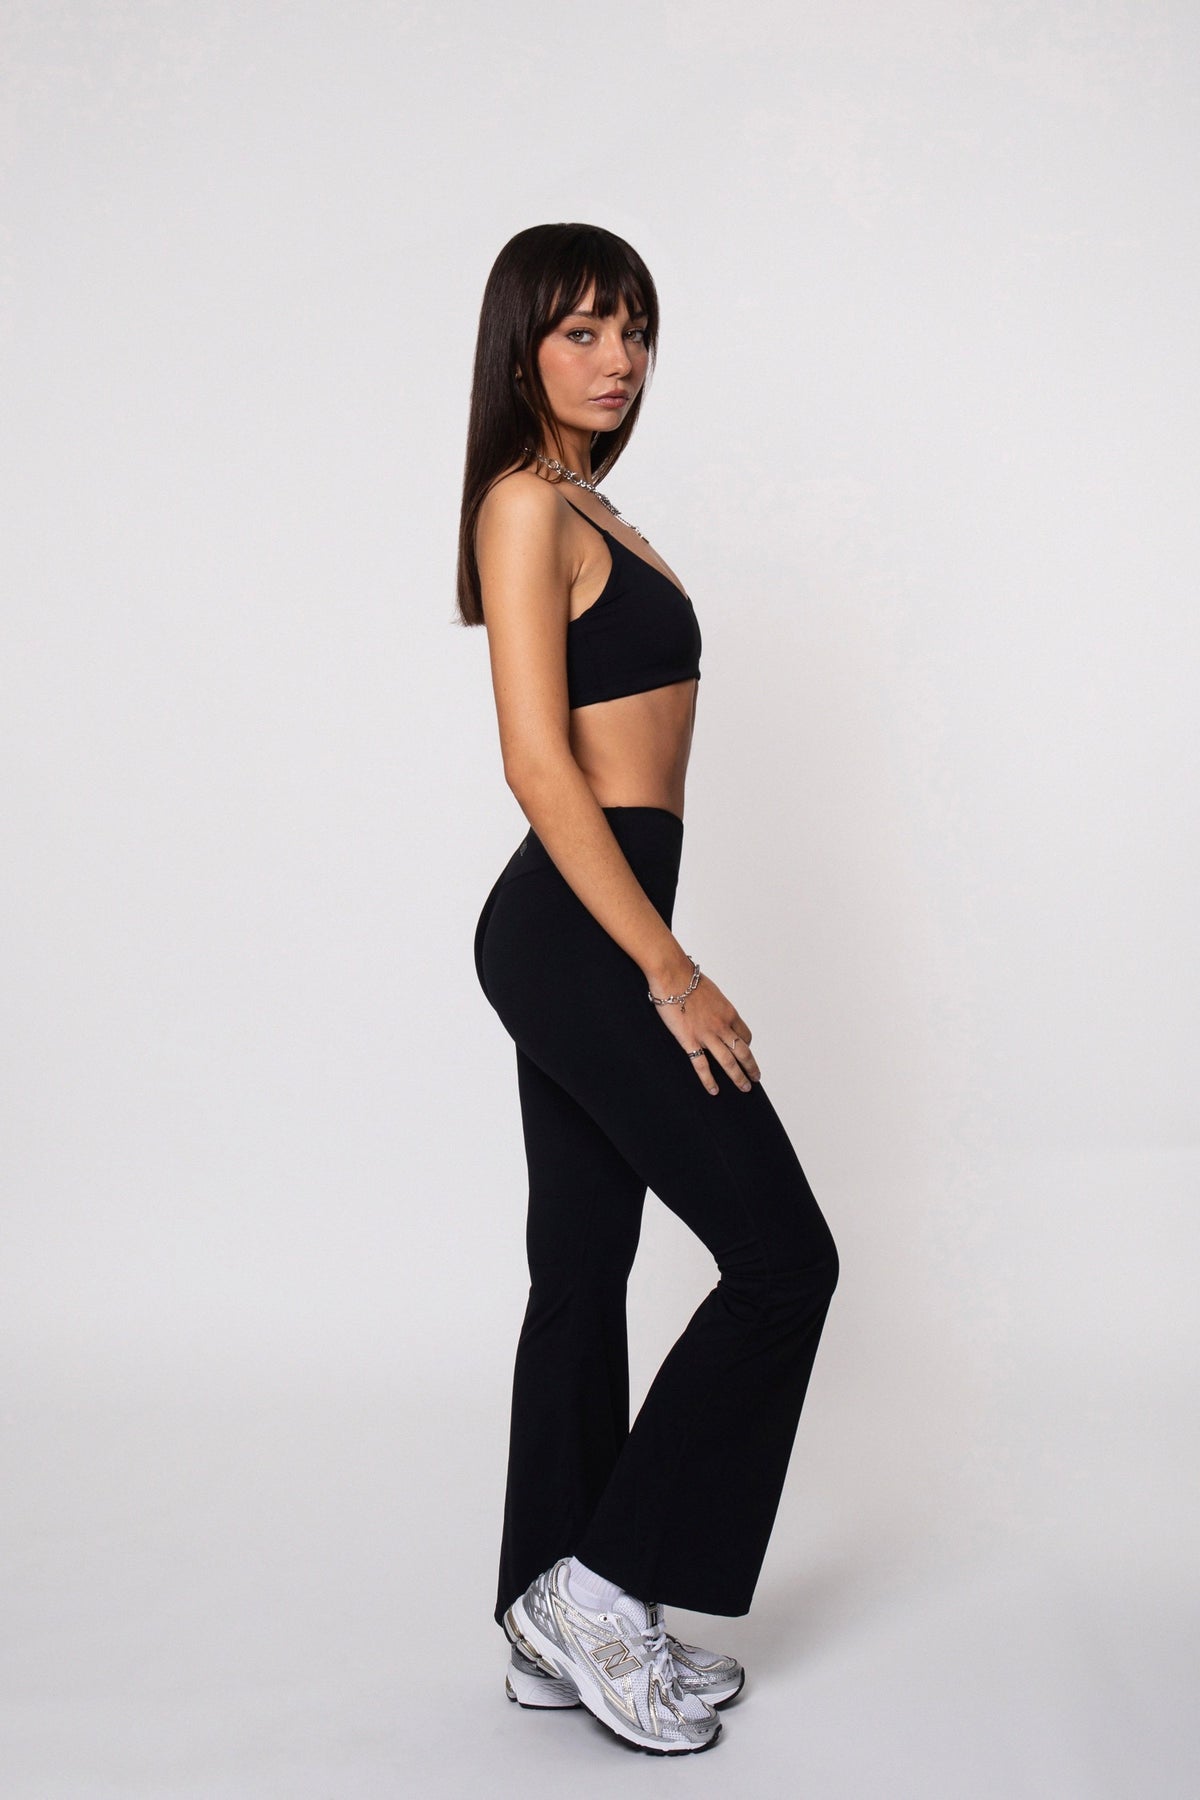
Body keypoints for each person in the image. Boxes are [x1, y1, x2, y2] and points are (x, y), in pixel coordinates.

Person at [460, 222, 840, 1756]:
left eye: (634, 329)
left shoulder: (590, 505)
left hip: (600, 917)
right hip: (581, 928)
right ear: (522, 350)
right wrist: (669, 972)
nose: (618, 358)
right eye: (582, 331)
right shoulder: (520, 504)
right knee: (784, 1260)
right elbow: (538, 763)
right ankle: (605, 1590)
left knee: (582, 1262)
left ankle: (547, 1618)